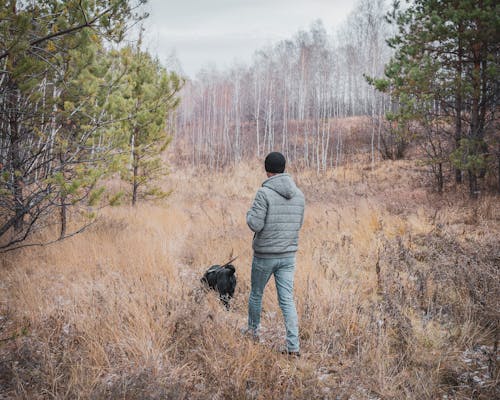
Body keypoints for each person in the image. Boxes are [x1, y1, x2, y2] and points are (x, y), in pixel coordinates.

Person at [245, 151, 305, 356]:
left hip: (264, 256)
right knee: (287, 299)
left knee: (256, 294)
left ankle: (253, 334)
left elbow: (255, 223)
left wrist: (248, 214)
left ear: (266, 170)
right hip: (288, 256)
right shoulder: (299, 194)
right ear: (284, 168)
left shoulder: (263, 193)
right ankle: (293, 347)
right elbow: (298, 225)